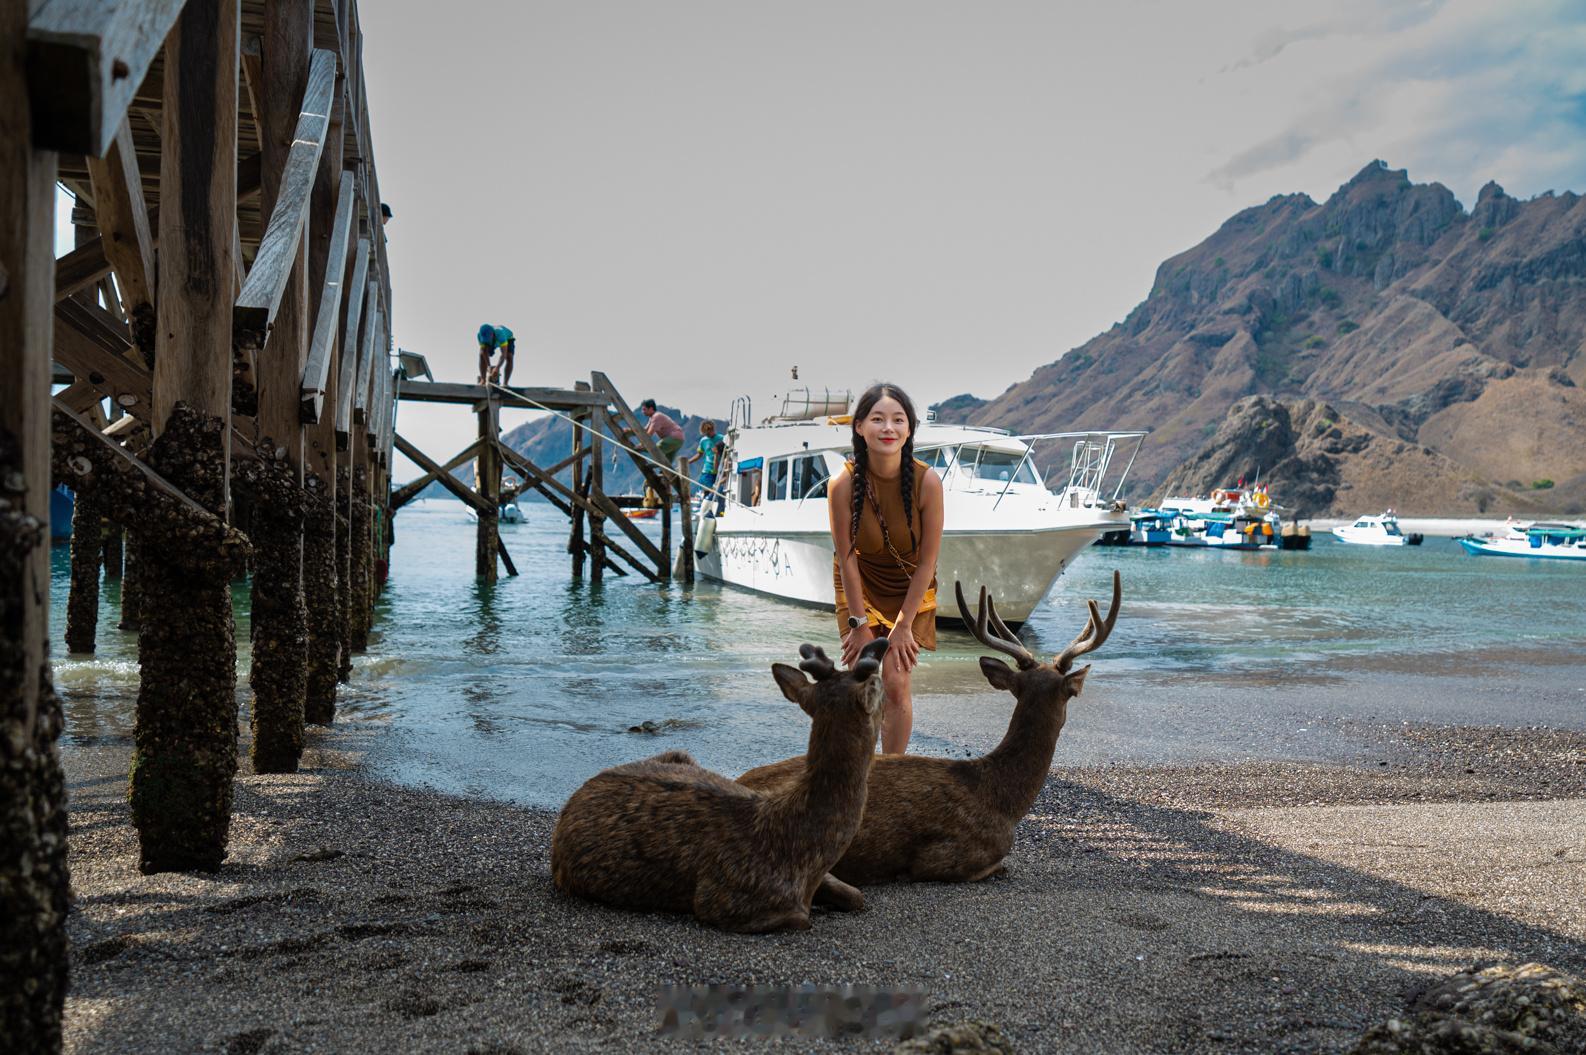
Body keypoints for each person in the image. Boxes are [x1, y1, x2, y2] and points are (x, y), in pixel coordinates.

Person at [829, 383, 943, 753]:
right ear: (860, 427)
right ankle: (858, 769)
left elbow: (928, 561)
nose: (888, 428)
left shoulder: (927, 482)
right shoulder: (842, 484)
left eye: (898, 420)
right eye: (878, 419)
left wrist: (904, 625)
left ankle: (891, 773)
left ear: (909, 429)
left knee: (896, 682)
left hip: (910, 585)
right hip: (858, 581)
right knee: (861, 679)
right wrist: (859, 624)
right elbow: (846, 557)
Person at [685, 420, 726, 510]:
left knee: (719, 492)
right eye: (706, 434)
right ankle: (706, 511)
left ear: (713, 429)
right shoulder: (703, 441)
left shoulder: (722, 438)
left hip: (720, 469)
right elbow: (699, 454)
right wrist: (688, 461)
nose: (708, 435)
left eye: (709, 433)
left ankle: (719, 511)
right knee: (707, 492)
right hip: (707, 470)